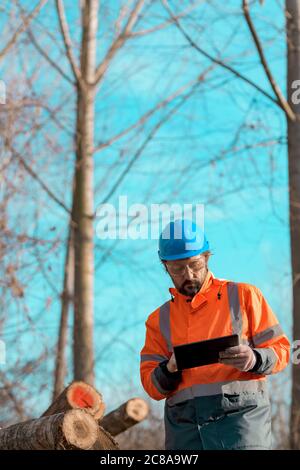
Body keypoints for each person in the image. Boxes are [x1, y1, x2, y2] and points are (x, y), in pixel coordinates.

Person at [140, 219, 290, 450]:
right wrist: (169, 369)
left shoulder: (244, 296)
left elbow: (283, 350)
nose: (188, 274)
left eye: (195, 264)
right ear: (165, 267)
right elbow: (151, 386)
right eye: (177, 269)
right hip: (185, 433)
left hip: (241, 428)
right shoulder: (158, 320)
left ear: (207, 257)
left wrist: (254, 358)